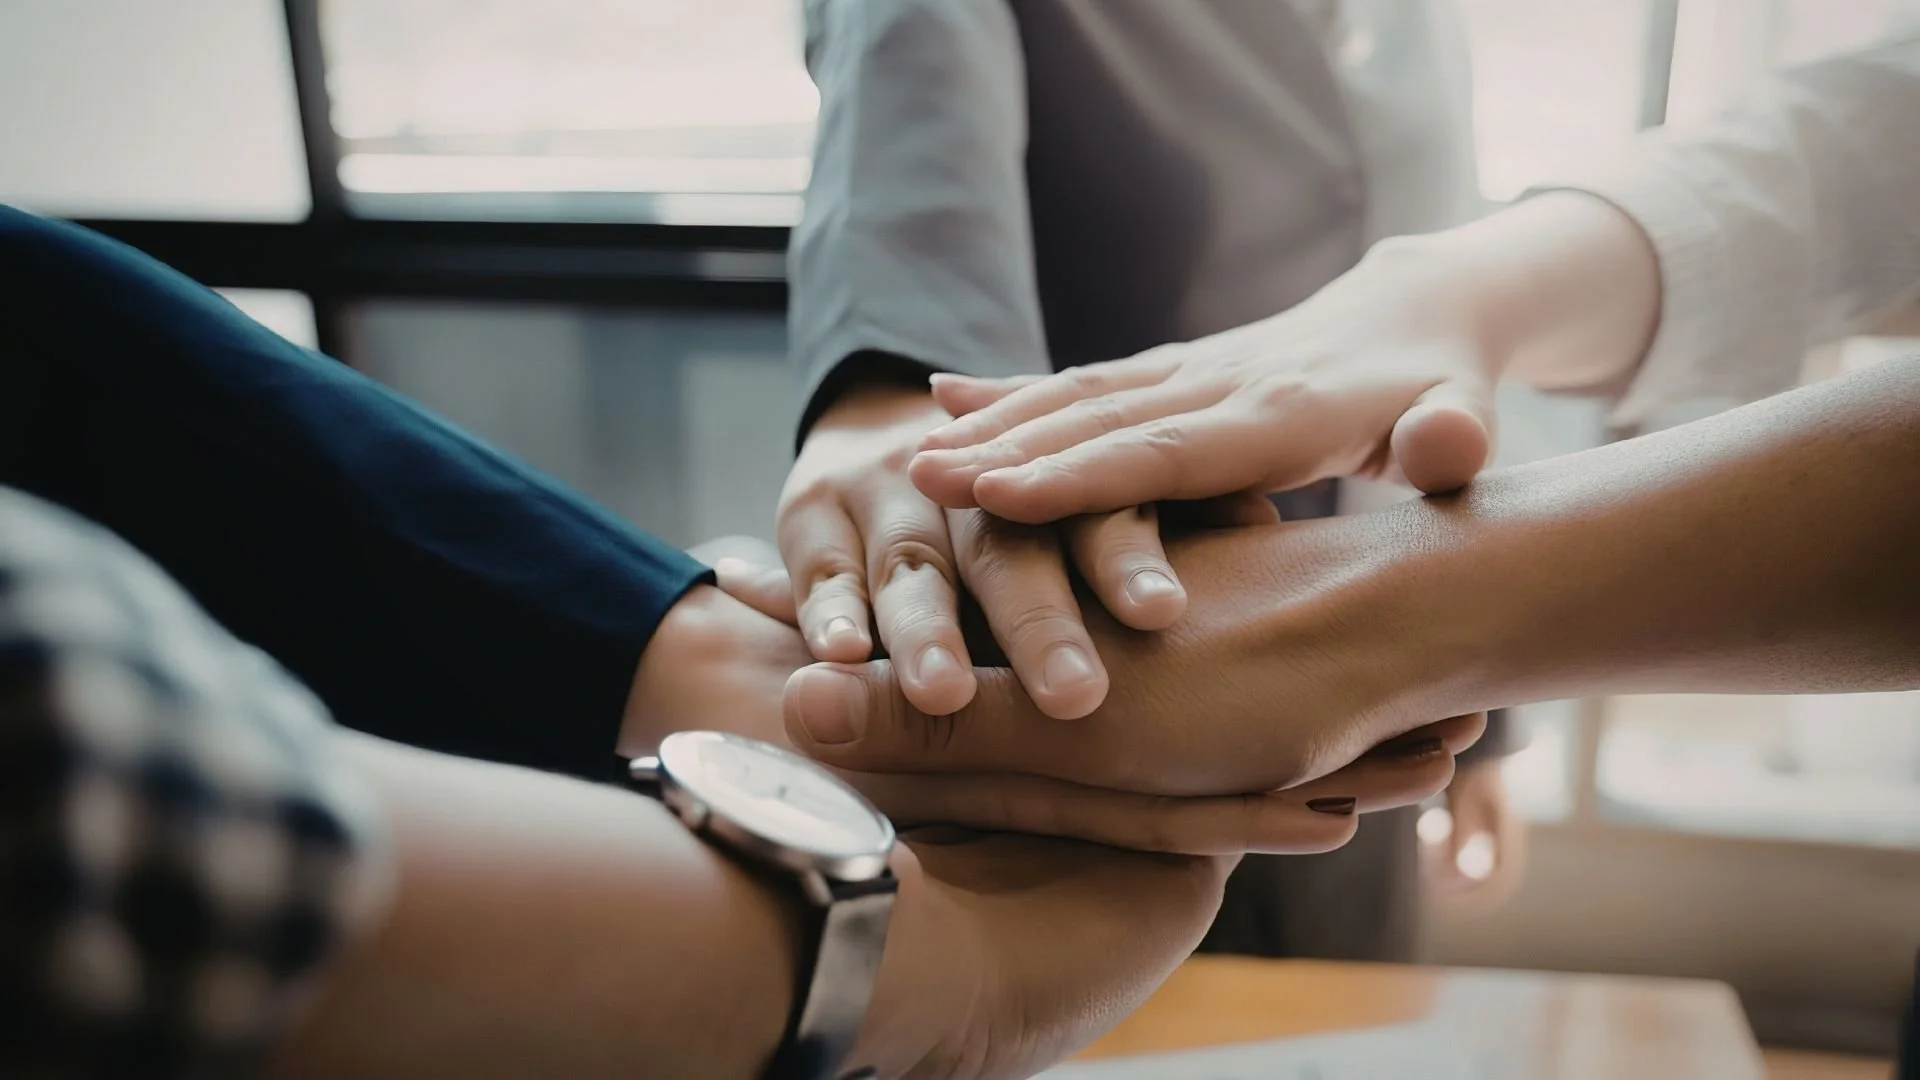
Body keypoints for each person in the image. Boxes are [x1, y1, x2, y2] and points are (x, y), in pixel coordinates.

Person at [0, 205, 1471, 1079]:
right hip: (1015, 519)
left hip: (1113, 562)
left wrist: (1479, 293)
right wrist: (917, 973)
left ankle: (744, 684)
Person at [779, 36, 1920, 807]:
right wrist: (897, 393)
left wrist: (1452, 684)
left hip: (1361, 708)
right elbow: (905, 85)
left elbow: (1445, 395)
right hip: (1071, 664)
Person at [784, 0, 1520, 962]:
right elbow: (909, 105)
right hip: (1096, 697)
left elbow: (1443, 323)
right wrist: (892, 395)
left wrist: (1485, 710)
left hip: (1386, 683)